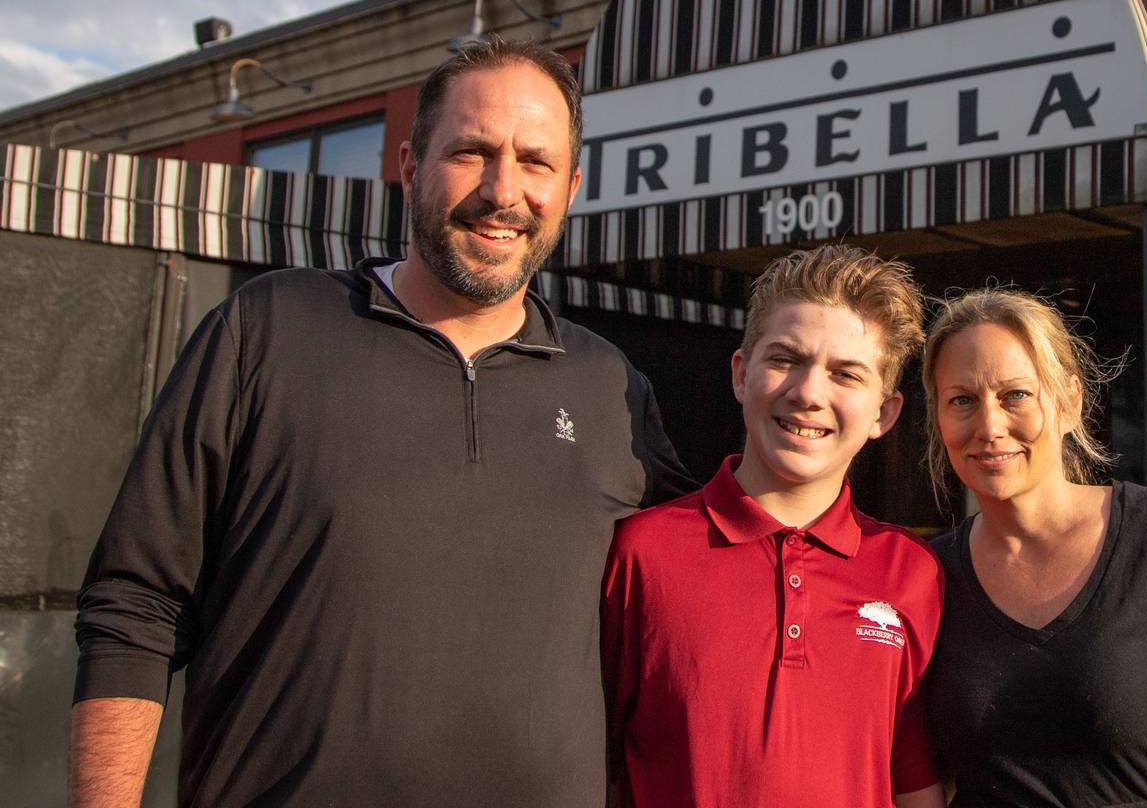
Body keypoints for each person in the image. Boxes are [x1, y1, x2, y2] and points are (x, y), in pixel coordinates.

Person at [70, 39, 693, 807]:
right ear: (407, 166)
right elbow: (136, 603)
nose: (504, 190)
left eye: (535, 162)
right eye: (471, 151)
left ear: (569, 187)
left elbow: (702, 604)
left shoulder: (611, 389)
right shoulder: (268, 331)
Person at [601, 244, 946, 808]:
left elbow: (913, 786)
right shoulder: (643, 552)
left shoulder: (912, 573)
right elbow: (594, 768)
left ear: (884, 413)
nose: (808, 392)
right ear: (741, 374)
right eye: (785, 358)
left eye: (846, 374)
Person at [921, 288, 1147, 808]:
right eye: (962, 400)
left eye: (1016, 395)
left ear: (1071, 401)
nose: (989, 426)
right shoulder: (929, 578)